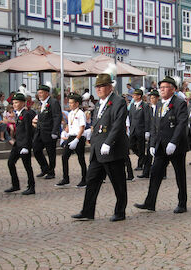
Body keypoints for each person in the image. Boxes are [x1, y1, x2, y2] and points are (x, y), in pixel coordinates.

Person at [72, 64, 129, 222]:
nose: (98, 89)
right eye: (97, 86)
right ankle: (87, 211)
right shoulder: (98, 103)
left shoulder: (118, 101)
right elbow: (99, 122)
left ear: (110, 87)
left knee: (118, 183)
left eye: (102, 86)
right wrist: (91, 131)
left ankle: (120, 211)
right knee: (91, 180)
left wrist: (109, 142)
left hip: (112, 149)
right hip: (98, 149)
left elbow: (118, 124)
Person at [134, 76, 189, 214]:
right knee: (155, 173)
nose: (162, 90)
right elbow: (154, 125)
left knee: (180, 175)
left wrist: (174, 142)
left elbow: (181, 124)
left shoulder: (179, 103)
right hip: (160, 146)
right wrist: (152, 144)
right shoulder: (159, 104)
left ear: (173, 89)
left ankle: (182, 203)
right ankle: (150, 202)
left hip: (175, 146)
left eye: (165, 87)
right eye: (161, 87)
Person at [4, 93, 35, 195]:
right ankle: (15, 185)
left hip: (24, 144)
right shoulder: (18, 114)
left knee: (27, 166)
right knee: (10, 162)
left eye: (17, 102)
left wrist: (26, 146)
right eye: (13, 103)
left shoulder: (26, 114)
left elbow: (28, 131)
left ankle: (31, 187)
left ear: (22, 103)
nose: (14, 105)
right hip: (18, 143)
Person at [56, 93, 87, 188]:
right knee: (64, 156)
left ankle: (84, 179)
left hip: (79, 137)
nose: (69, 104)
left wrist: (77, 139)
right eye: (69, 103)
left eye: (71, 103)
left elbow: (82, 127)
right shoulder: (70, 114)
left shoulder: (81, 113)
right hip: (71, 137)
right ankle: (66, 178)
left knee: (80, 158)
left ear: (77, 103)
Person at [32, 85, 62, 179]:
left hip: (49, 131)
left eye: (41, 93)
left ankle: (51, 172)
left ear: (47, 93)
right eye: (38, 93)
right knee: (36, 150)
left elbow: (57, 117)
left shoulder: (53, 102)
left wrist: (55, 131)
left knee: (51, 152)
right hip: (39, 131)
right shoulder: (40, 103)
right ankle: (44, 168)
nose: (39, 94)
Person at [138, 90, 160, 178]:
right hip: (151, 133)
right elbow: (147, 120)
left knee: (160, 154)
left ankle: (162, 173)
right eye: (150, 98)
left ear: (157, 98)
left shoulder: (160, 107)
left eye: (153, 98)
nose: (151, 99)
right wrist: (147, 131)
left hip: (159, 133)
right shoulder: (149, 108)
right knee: (148, 153)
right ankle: (146, 172)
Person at [128, 88, 151, 171]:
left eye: (135, 95)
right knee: (131, 145)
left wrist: (147, 131)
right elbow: (130, 117)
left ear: (139, 96)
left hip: (141, 130)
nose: (133, 96)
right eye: (133, 95)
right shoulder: (132, 105)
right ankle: (145, 160)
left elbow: (147, 118)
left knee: (141, 148)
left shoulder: (145, 106)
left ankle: (140, 164)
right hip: (133, 129)